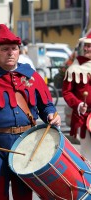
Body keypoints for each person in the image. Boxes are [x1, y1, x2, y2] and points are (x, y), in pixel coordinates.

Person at [0, 24, 61, 200]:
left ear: (19, 51)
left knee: (24, 195)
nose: (10, 53)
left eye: (14, 49)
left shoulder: (31, 76)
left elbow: (46, 105)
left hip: (26, 145)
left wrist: (51, 114)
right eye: (5, 49)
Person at [62, 33, 91, 161]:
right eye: (85, 46)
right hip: (83, 117)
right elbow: (66, 92)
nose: (86, 49)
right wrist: (78, 104)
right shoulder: (74, 67)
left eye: (90, 46)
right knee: (87, 153)